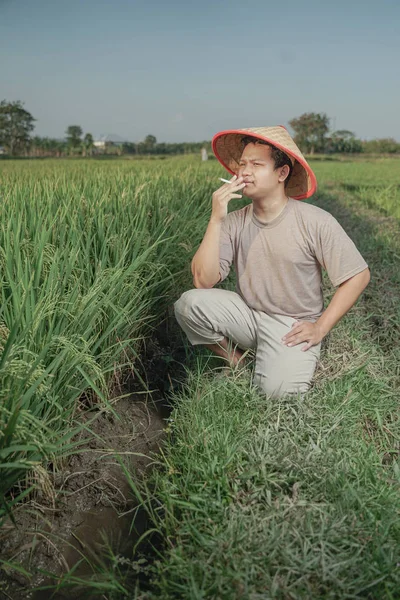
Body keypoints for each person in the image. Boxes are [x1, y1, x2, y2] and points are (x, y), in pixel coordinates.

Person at [174, 126, 370, 398]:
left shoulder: (315, 221)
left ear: (282, 173)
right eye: (242, 164)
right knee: (189, 303)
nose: (244, 172)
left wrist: (320, 327)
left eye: (256, 164)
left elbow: (358, 276)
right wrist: (216, 218)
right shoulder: (234, 222)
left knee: (277, 393)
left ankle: (279, 359)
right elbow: (203, 281)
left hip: (292, 326)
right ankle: (238, 362)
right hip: (248, 316)